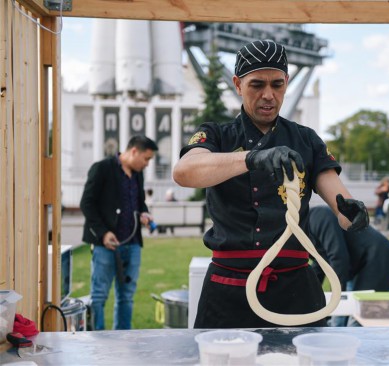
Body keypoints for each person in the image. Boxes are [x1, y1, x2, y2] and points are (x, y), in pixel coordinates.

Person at [173, 39, 369, 329]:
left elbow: (337, 195)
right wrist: (252, 158)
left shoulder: (307, 139)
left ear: (287, 82)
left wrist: (350, 213)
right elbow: (185, 171)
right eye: (257, 85)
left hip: (295, 288)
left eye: (277, 84)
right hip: (228, 288)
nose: (269, 95)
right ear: (238, 84)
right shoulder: (216, 135)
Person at [80, 135, 158, 330]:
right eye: (146, 159)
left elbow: (139, 202)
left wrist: (144, 214)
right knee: (99, 296)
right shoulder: (102, 168)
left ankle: (122, 341)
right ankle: (96, 341)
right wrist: (103, 233)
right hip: (105, 245)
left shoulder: (138, 173)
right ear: (134, 151)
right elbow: (86, 204)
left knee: (127, 297)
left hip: (132, 245)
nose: (147, 164)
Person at [308, 205, 389, 326]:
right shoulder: (304, 231)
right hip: (358, 269)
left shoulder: (318, 216)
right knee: (338, 323)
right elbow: (320, 262)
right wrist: (311, 294)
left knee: (354, 324)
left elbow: (338, 257)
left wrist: (337, 296)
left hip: (380, 262)